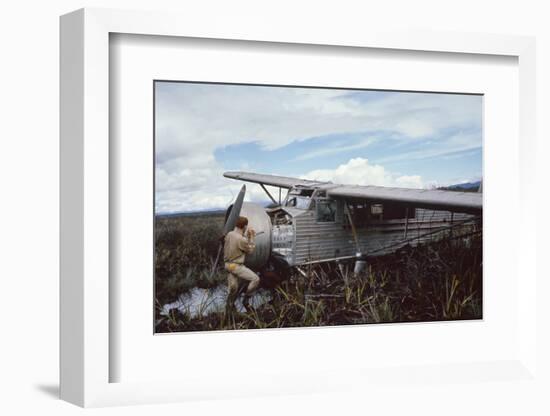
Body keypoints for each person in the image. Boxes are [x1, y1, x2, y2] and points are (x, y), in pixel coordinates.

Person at [223, 216, 259, 313]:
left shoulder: (229, 234)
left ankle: (229, 307)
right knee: (255, 279)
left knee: (234, 287)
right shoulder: (241, 239)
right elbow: (250, 250)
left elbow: (237, 243)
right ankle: (246, 300)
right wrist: (252, 237)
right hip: (235, 266)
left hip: (228, 266)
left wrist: (246, 236)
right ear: (245, 226)